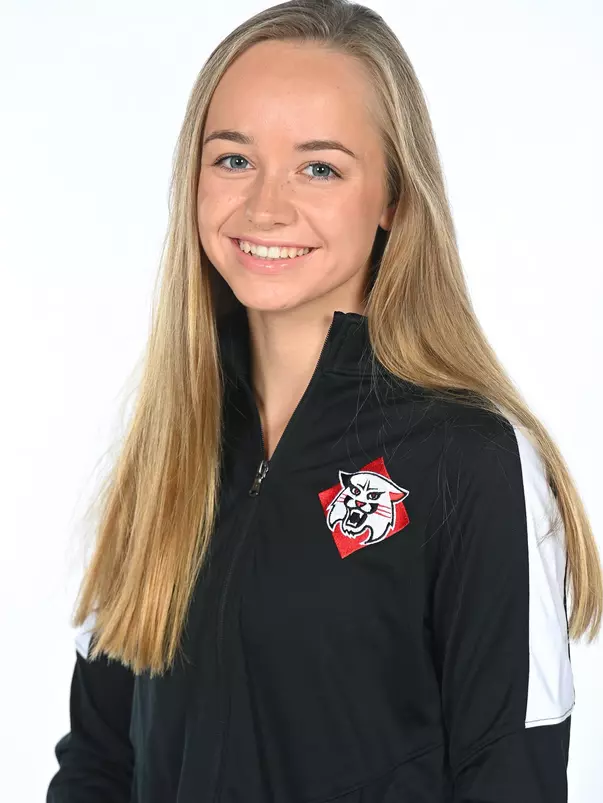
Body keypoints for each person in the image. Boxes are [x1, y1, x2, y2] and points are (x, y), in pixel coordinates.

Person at [46, 1, 602, 801]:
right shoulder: (166, 453)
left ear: (392, 200)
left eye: (319, 167)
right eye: (233, 159)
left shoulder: (467, 461)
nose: (265, 207)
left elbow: (509, 774)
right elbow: (98, 762)